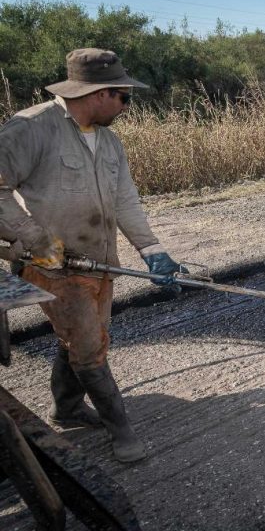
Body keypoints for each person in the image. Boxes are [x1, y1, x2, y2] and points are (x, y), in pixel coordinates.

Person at [0, 48, 185, 463]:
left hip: (99, 263)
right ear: (100, 93)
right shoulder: (31, 128)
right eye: (124, 97)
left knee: (85, 339)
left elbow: (125, 202)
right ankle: (122, 429)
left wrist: (153, 251)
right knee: (88, 348)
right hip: (52, 266)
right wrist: (34, 238)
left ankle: (65, 407)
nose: (126, 106)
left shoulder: (109, 141)